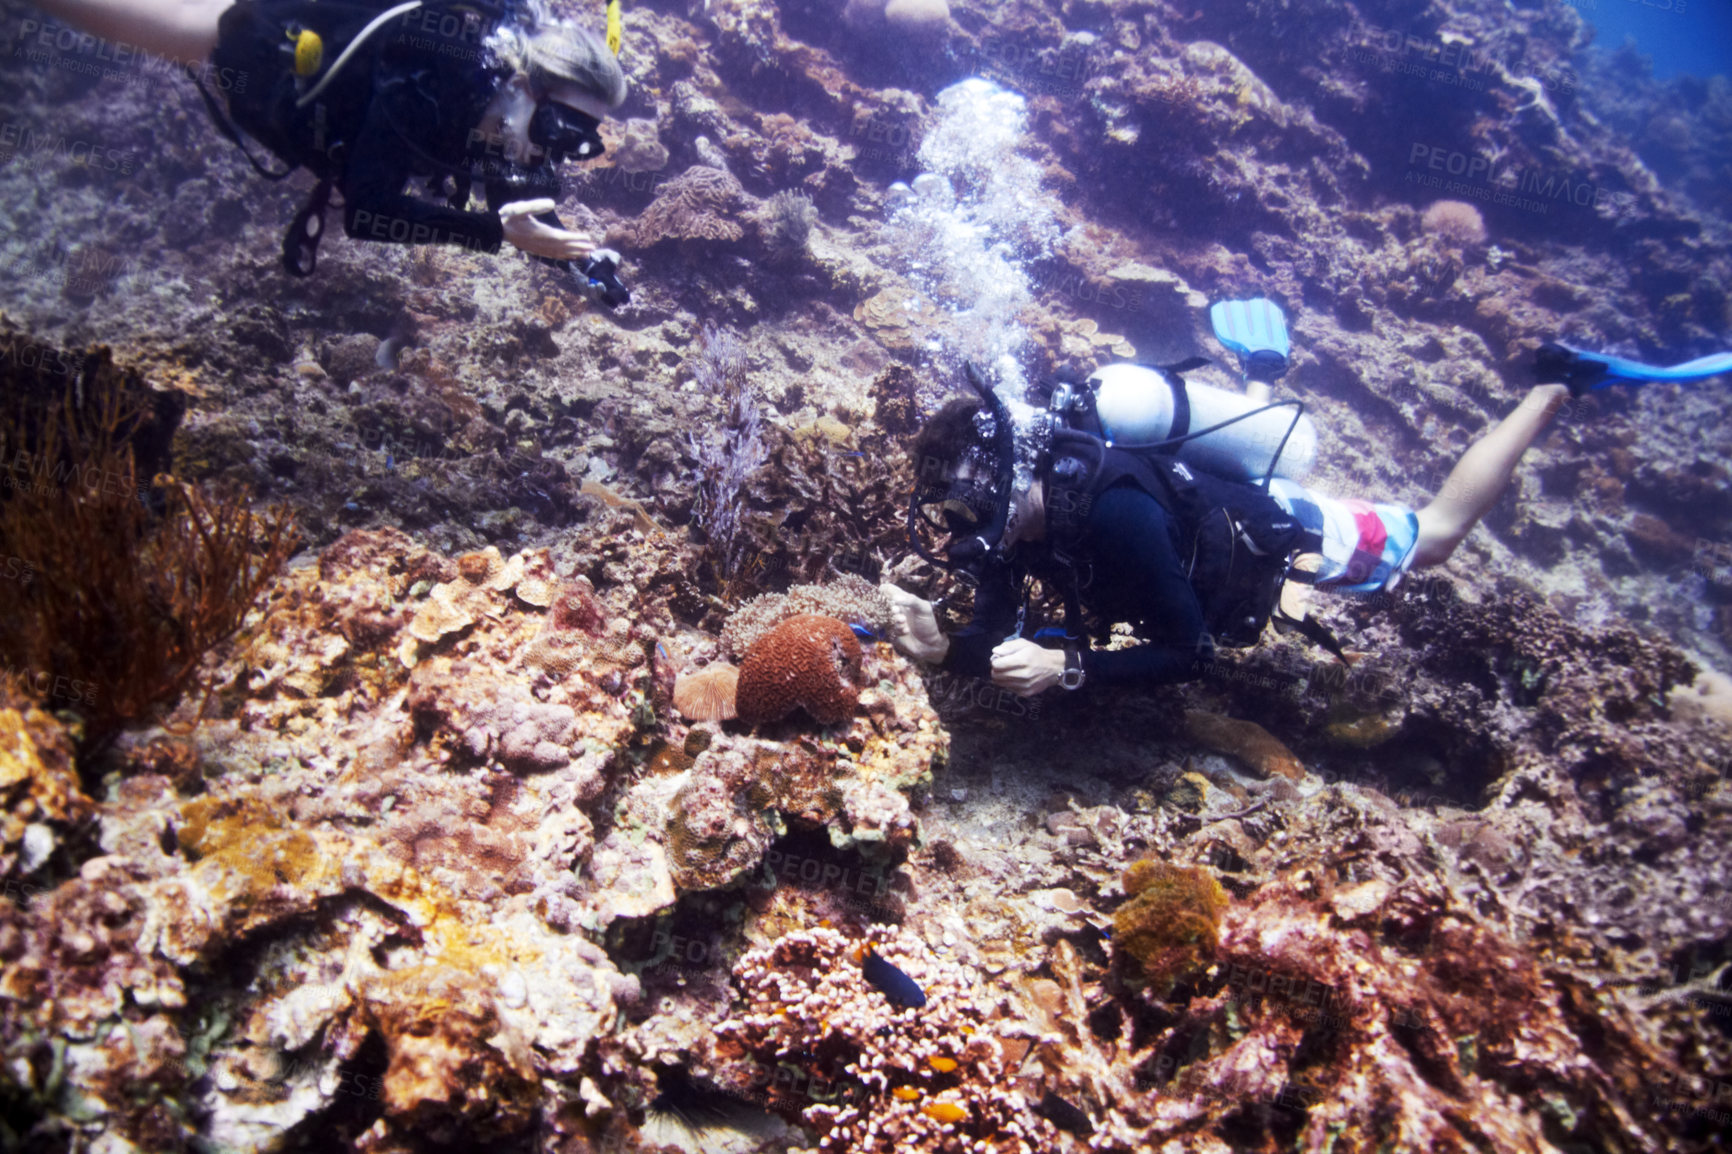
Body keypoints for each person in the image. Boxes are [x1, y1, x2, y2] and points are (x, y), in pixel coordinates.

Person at [882, 335, 1728, 697]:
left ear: (1011, 476)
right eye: (953, 513)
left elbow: (1190, 653)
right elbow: (996, 631)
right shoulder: (1013, 516)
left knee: (1433, 539)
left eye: (968, 508)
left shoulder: (1113, 516)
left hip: (1269, 524)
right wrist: (948, 651)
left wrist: (1071, 674)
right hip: (1189, 511)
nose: (965, 533)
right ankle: (1257, 377)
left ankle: (1554, 389)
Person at [29, 0, 629, 290]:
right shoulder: (430, 79)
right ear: (522, 87)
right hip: (254, 45)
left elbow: (521, 205)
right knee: (168, 23)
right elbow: (368, 211)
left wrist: (583, 264)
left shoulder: (507, 116)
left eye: (580, 144)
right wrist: (491, 234)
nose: (552, 155)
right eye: (557, 132)